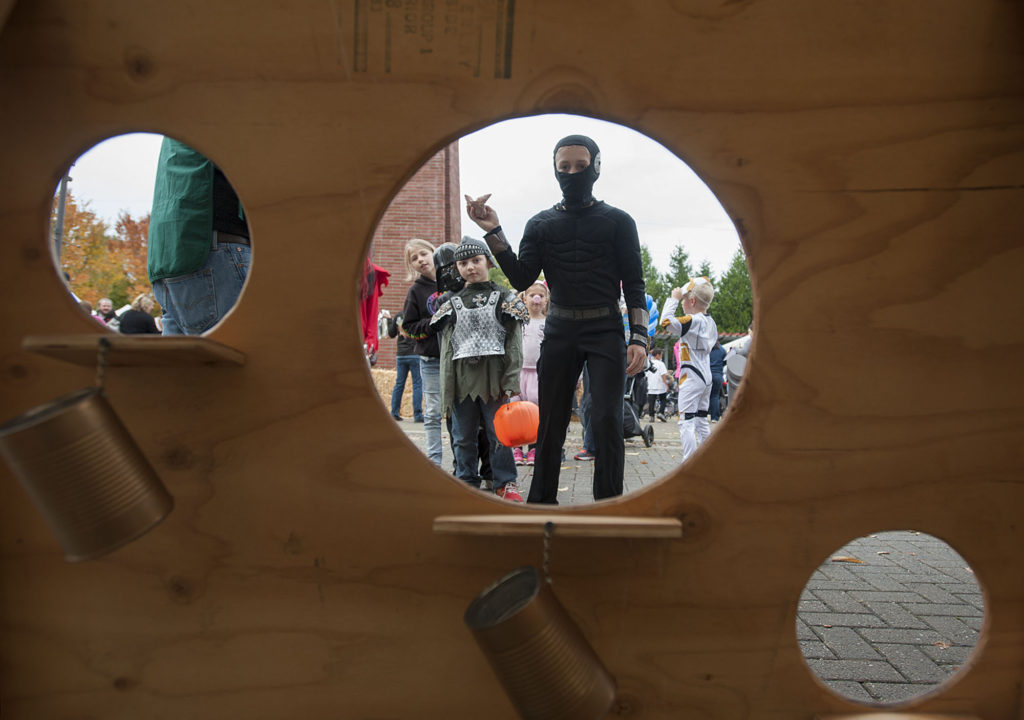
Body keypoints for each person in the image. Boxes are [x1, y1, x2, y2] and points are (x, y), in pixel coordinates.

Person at [465, 134, 647, 503]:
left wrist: (640, 337)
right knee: (550, 423)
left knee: (608, 421)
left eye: (581, 166)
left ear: (596, 168)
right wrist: (494, 232)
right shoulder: (541, 224)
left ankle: (609, 505)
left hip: (605, 329)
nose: (572, 173)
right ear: (554, 169)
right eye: (564, 167)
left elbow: (635, 283)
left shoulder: (619, 222)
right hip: (561, 329)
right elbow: (520, 277)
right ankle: (541, 503)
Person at [429, 237, 528, 502]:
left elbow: (514, 344)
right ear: (456, 268)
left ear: (488, 261)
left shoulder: (505, 298)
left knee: (499, 435)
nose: (471, 267)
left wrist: (510, 380)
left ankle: (505, 482)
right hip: (462, 381)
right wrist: (447, 389)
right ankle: (465, 482)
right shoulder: (450, 305)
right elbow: (447, 351)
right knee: (462, 437)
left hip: (494, 380)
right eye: (463, 263)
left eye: (476, 260)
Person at [147, 136, 251, 335]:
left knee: (183, 365)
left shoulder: (176, 127)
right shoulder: (212, 116)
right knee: (243, 358)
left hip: (168, 254)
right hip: (213, 246)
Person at [661, 277, 718, 462]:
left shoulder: (693, 321)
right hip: (705, 376)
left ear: (692, 301)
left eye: (685, 299)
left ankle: (689, 464)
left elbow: (665, 322)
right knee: (701, 420)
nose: (683, 302)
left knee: (686, 422)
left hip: (692, 376)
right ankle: (708, 460)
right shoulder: (711, 322)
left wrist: (673, 299)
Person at [399, 238, 443, 466]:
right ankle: (435, 461)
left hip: (458, 359)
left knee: (460, 416)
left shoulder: (454, 280)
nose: (420, 260)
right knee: (434, 412)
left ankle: (463, 468)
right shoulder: (415, 291)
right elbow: (408, 328)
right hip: (431, 360)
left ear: (433, 252)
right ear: (411, 266)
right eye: (414, 259)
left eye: (423, 254)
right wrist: (432, 323)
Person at [513, 280, 548, 466]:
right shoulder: (519, 322)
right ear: (524, 299)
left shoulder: (548, 323)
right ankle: (517, 448)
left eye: (541, 296)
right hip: (519, 373)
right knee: (517, 411)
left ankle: (533, 448)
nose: (537, 299)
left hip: (538, 373)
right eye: (533, 295)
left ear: (546, 300)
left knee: (535, 412)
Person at [385, 311, 423, 422]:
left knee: (399, 384)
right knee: (417, 384)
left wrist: (389, 321)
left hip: (401, 355)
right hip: (414, 354)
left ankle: (394, 412)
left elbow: (391, 334)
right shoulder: (416, 314)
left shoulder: (399, 316)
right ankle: (417, 414)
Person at [645, 347, 672, 421]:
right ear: (657, 355)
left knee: (651, 401)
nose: (661, 356)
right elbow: (663, 374)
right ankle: (661, 412)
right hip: (660, 384)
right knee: (663, 399)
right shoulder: (661, 364)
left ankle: (651, 416)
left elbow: (646, 375)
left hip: (651, 384)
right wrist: (666, 384)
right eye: (660, 354)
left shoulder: (649, 363)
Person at [709, 340, 726, 422]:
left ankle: (701, 415)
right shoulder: (722, 349)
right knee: (715, 396)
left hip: (707, 374)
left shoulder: (707, 349)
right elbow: (725, 361)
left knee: (704, 395)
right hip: (718, 375)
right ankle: (714, 417)